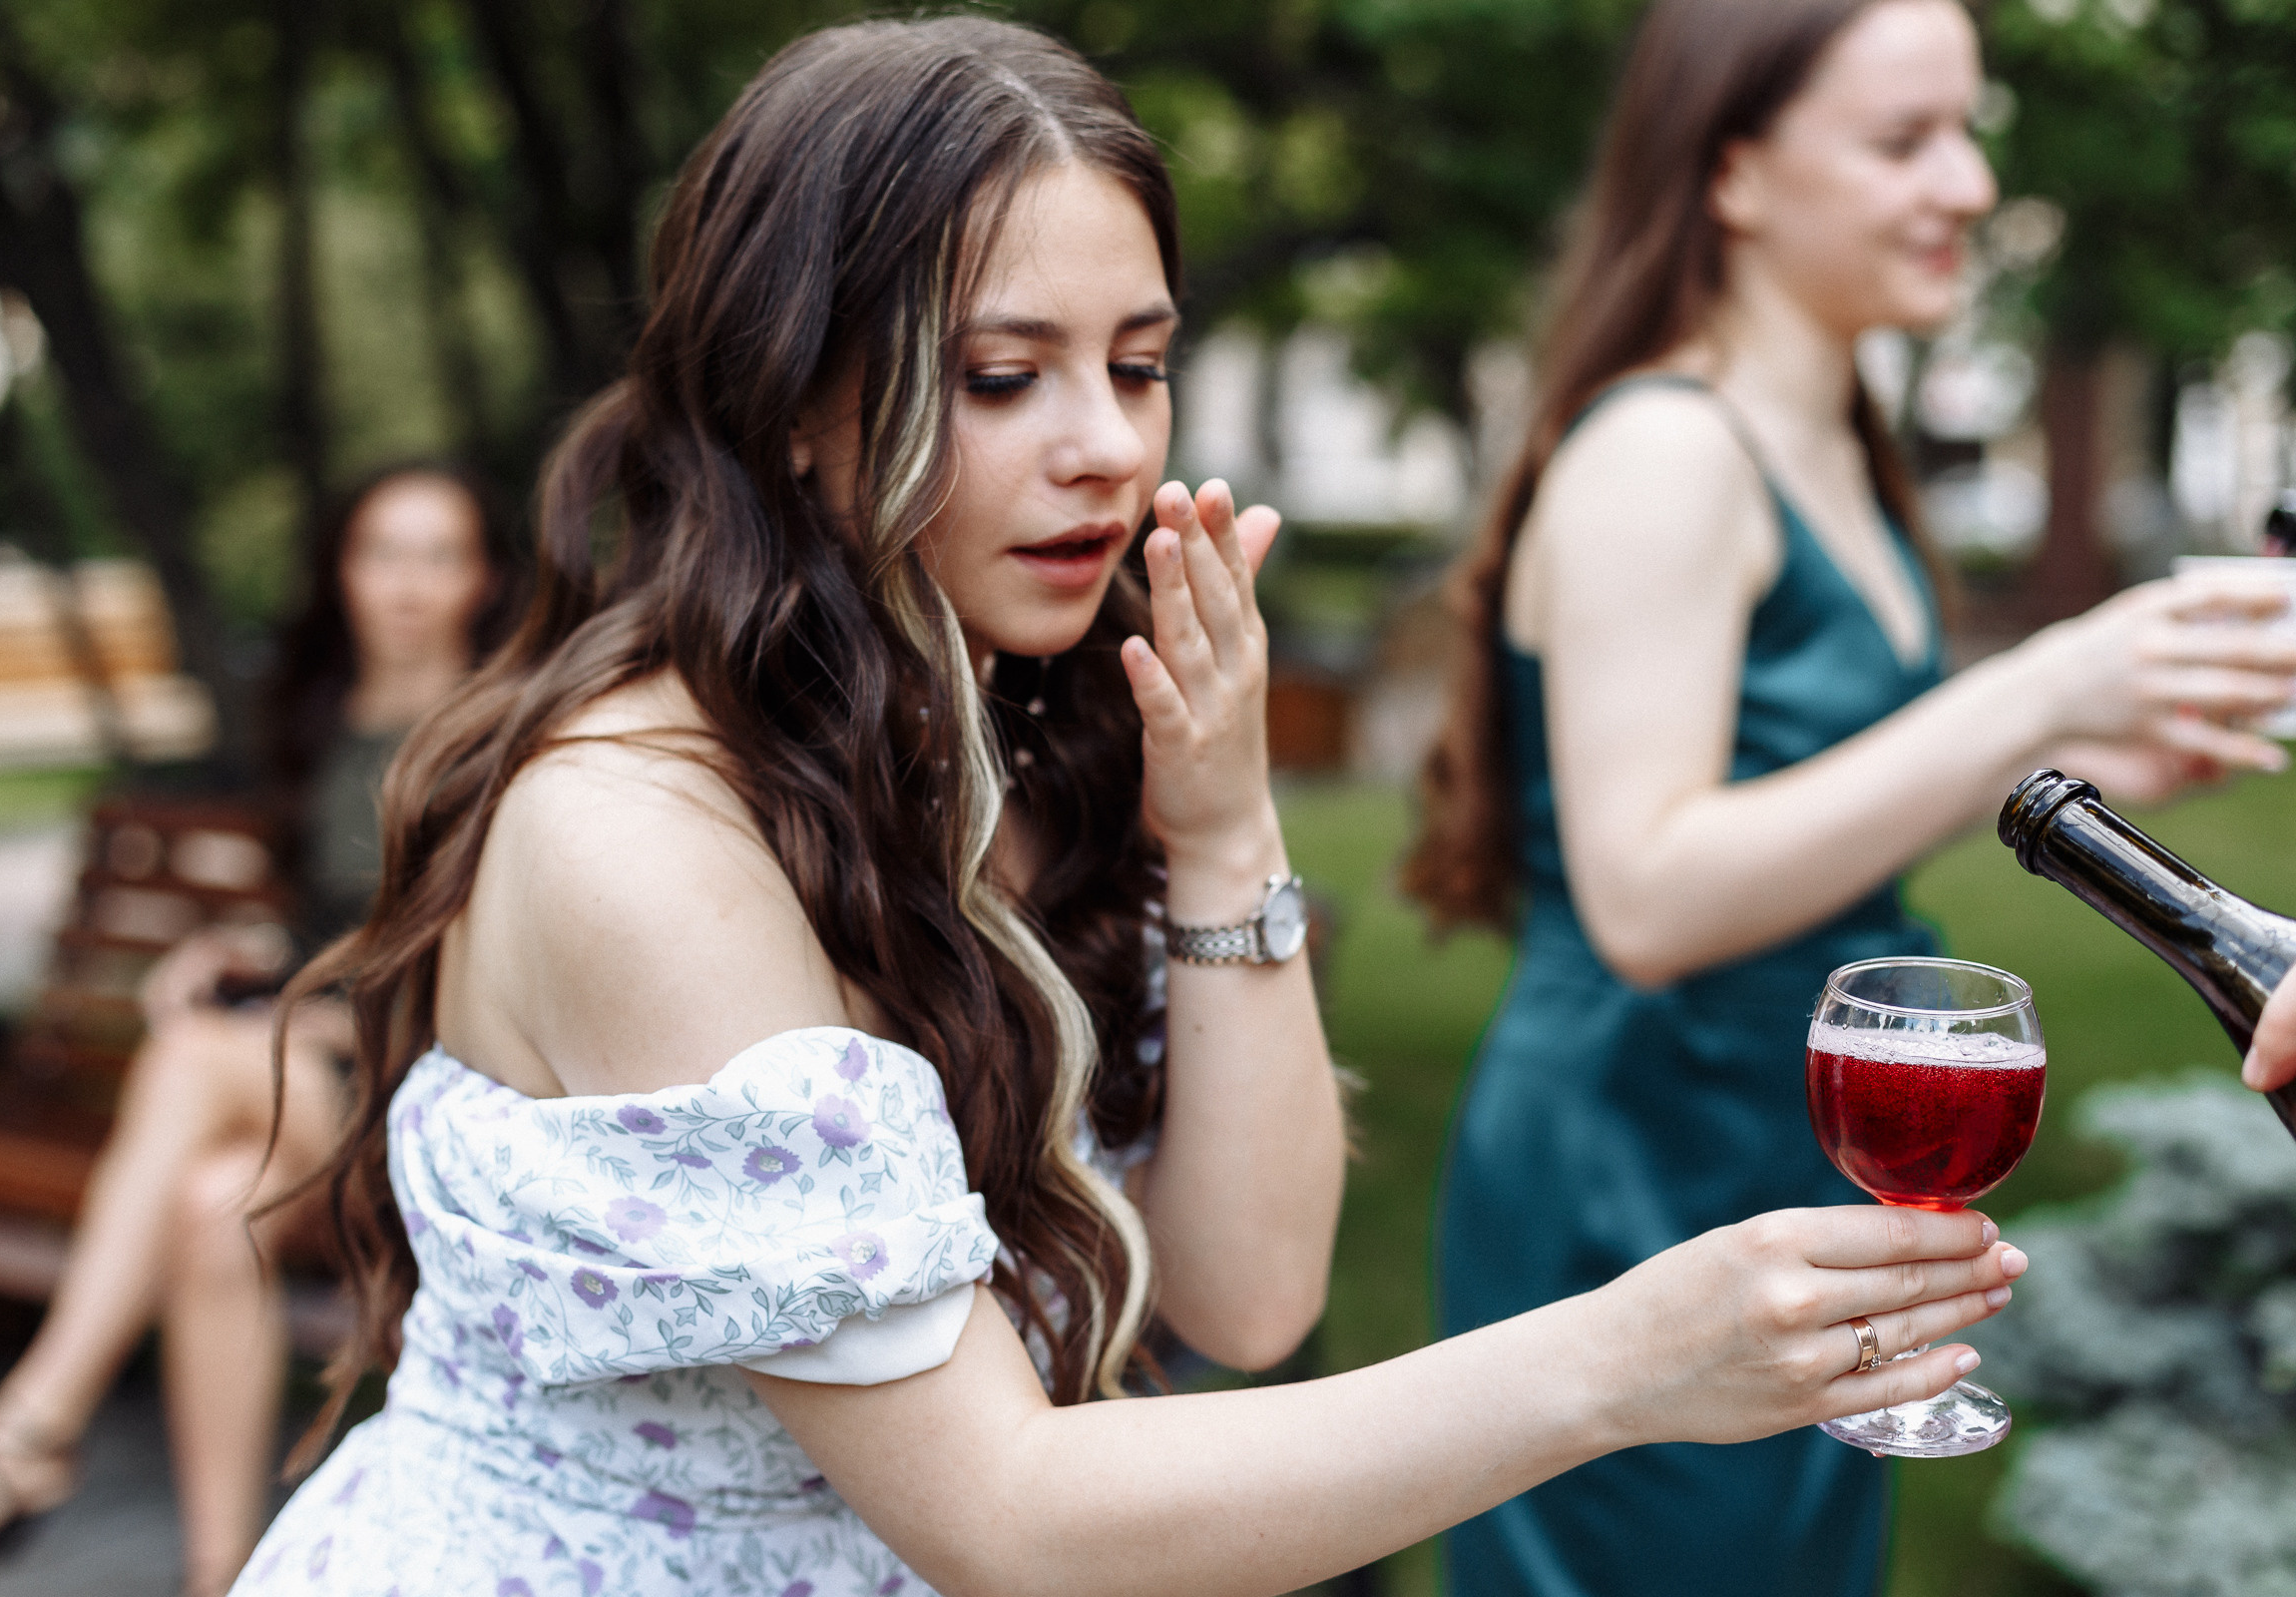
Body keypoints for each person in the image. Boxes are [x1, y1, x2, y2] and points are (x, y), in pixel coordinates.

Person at [225, 19, 2029, 1596]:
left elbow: (1246, 1297)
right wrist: (1623, 1364)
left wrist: (1227, 830)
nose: (1104, 442)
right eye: (1005, 377)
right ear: (794, 403)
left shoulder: (1016, 736)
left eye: (1139, 362)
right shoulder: (640, 835)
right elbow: (1002, 1512)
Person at [1402, 1, 2296, 1593]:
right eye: (1903, 141)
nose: (1963, 184)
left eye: (1970, 130)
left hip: (1818, 1134)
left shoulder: (1839, 446)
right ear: (1734, 172)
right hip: (1638, 1168)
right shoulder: (1665, 448)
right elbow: (1649, 892)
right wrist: (2030, 686)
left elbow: (1803, 801)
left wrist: (2101, 762)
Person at [0, 464, 510, 1595]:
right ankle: (216, 1573)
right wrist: (236, 961)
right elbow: (337, 924)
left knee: (192, 1060)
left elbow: (468, 966)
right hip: (316, 1079)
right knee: (211, 1203)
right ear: (344, 569)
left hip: (424, 1089)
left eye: (439, 553)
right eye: (385, 550)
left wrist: (302, 1017)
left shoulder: (489, 733)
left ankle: (31, 1429)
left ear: (482, 574)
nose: (409, 583)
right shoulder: (329, 719)